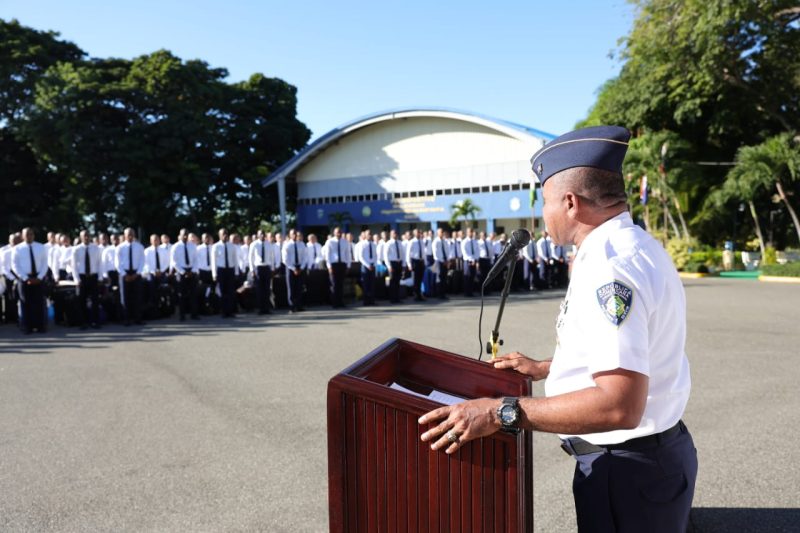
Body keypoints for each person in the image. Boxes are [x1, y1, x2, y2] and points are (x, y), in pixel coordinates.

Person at [418, 125, 697, 533]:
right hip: (649, 460)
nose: (542, 214)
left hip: (626, 473)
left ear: (570, 203)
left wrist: (500, 412)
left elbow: (620, 405)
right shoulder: (634, 245)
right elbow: (636, 351)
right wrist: (550, 366)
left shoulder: (610, 269)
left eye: (545, 201)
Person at [12, 228, 48, 333]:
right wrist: (25, 278)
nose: (29, 236)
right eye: (27, 234)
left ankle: (40, 326)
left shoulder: (40, 247)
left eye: (31, 234)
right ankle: (27, 326)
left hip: (38, 277)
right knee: (25, 303)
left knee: (39, 302)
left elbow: (45, 263)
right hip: (24, 278)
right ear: (23, 236)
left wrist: (40, 277)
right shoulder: (17, 249)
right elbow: (15, 265)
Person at [71, 230, 102, 329]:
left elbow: (99, 263)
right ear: (81, 237)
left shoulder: (95, 248)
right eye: (84, 236)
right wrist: (76, 279)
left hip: (93, 276)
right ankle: (83, 322)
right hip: (82, 277)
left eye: (88, 235)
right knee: (81, 301)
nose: (86, 237)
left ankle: (95, 321)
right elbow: (74, 266)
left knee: (95, 300)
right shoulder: (76, 249)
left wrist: (100, 277)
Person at [115, 227, 145, 326]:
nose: (130, 236)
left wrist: (138, 273)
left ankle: (138, 318)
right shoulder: (120, 247)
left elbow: (142, 261)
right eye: (128, 234)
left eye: (132, 233)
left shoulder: (139, 246)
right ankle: (126, 319)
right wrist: (124, 274)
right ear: (125, 235)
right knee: (125, 297)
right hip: (124, 273)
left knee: (138, 296)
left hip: (136, 272)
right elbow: (117, 263)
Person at [171, 228, 199, 321]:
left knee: (193, 294)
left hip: (191, 271)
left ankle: (194, 314)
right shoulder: (175, 246)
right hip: (181, 272)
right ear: (180, 235)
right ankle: (182, 315)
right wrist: (183, 272)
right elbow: (174, 262)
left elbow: (196, 260)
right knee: (181, 295)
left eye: (187, 234)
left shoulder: (193, 246)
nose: (186, 236)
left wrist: (192, 271)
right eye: (184, 235)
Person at [212, 228, 239, 318]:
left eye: (226, 233)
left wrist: (236, 272)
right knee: (223, 292)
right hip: (221, 270)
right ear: (219, 235)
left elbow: (235, 260)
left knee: (231, 291)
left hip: (230, 270)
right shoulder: (216, 246)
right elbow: (213, 261)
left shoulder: (232, 246)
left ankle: (230, 311)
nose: (225, 235)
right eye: (223, 234)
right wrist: (214, 274)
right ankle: (224, 311)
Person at [322, 227, 350, 308]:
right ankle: (334, 303)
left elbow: (347, 254)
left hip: (342, 264)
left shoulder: (345, 242)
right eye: (337, 232)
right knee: (334, 284)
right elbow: (327, 255)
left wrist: (348, 265)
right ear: (334, 233)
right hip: (333, 265)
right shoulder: (330, 242)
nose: (339, 233)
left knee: (341, 284)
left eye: (340, 232)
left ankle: (341, 302)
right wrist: (329, 266)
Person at [249, 230, 273, 314]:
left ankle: (267, 308)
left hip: (266, 267)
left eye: (263, 234)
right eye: (260, 234)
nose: (262, 235)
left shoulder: (269, 244)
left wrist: (272, 268)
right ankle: (260, 308)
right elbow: (250, 258)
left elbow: (271, 256)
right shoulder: (254, 244)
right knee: (259, 289)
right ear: (258, 235)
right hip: (258, 267)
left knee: (267, 289)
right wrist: (252, 270)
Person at [282, 230, 306, 313]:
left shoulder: (302, 244)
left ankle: (299, 305)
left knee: (299, 287)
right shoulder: (287, 245)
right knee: (291, 288)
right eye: (293, 234)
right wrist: (293, 269)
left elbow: (305, 257)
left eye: (296, 234)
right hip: (290, 267)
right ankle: (291, 306)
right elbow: (285, 259)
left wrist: (301, 267)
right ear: (290, 235)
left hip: (300, 266)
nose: (295, 235)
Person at [405, 229, 426, 301]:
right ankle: (416, 295)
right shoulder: (412, 242)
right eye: (417, 233)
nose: (418, 234)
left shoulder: (421, 241)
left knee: (420, 279)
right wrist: (409, 264)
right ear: (414, 234)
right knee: (416, 279)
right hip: (415, 261)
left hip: (421, 261)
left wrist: (424, 262)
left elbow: (423, 252)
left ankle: (420, 294)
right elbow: (408, 254)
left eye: (419, 232)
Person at [357, 229, 377, 306]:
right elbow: (361, 257)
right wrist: (368, 265)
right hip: (365, 266)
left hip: (372, 265)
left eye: (370, 234)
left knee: (372, 284)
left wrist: (374, 264)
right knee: (365, 284)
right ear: (365, 235)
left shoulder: (374, 244)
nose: (370, 235)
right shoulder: (362, 244)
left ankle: (372, 300)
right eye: (368, 234)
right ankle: (366, 301)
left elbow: (375, 255)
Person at [432, 228, 450, 300]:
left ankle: (443, 294)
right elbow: (436, 253)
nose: (442, 233)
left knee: (444, 278)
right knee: (439, 278)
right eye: (441, 232)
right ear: (438, 233)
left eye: (443, 232)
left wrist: (447, 260)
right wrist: (442, 261)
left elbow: (447, 251)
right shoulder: (435, 241)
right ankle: (439, 294)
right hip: (439, 262)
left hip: (445, 262)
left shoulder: (445, 241)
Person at [460, 227, 478, 297]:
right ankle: (466, 292)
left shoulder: (474, 241)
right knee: (467, 277)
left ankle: (471, 292)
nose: (471, 233)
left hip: (474, 261)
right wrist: (472, 260)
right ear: (467, 233)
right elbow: (465, 253)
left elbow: (477, 251)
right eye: (469, 232)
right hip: (467, 261)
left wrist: (475, 259)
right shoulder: (464, 242)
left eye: (472, 231)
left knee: (472, 277)